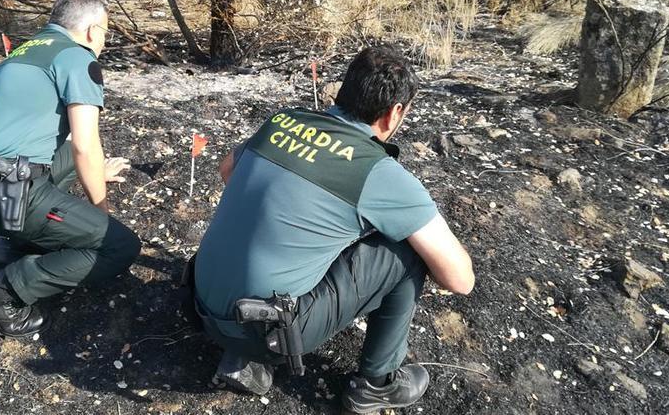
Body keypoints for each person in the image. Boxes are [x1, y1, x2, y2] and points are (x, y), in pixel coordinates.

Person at [191, 45, 475, 413]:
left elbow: (227, 171)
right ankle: (377, 383)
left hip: (202, 305)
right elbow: (460, 280)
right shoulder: (379, 173)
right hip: (266, 332)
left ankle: (243, 358)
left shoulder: (281, 122)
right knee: (407, 251)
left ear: (342, 92)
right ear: (394, 114)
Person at [0, 0, 141, 338]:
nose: (103, 40)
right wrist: (100, 214)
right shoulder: (78, 58)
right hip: (10, 196)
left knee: (69, 156)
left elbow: (60, 146)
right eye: (104, 32)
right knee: (118, 246)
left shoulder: (22, 53)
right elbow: (86, 145)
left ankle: (13, 242)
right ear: (90, 31)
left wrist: (96, 171)